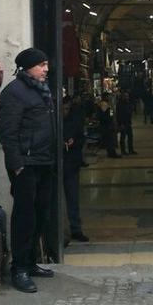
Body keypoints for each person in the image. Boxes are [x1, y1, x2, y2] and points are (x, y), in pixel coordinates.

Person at [0, 48, 57, 293]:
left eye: (46, 64)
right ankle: (19, 268)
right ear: (28, 67)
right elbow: (8, 133)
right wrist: (17, 165)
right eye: (41, 65)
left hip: (44, 161)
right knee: (24, 216)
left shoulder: (40, 90)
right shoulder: (14, 93)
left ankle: (31, 261)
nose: (46, 69)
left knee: (41, 213)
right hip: (27, 165)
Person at [62, 96, 89, 243]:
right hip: (57, 165)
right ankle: (61, 232)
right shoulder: (54, 121)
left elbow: (81, 139)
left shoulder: (74, 122)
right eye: (63, 109)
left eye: (67, 109)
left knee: (73, 198)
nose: (65, 111)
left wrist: (74, 142)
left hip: (71, 164)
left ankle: (75, 229)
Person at [115, 90, 137, 155]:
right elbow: (118, 114)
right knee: (123, 137)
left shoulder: (128, 103)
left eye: (127, 96)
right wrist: (120, 123)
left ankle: (131, 149)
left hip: (128, 122)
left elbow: (129, 111)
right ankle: (123, 151)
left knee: (130, 137)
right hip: (123, 122)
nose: (127, 97)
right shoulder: (119, 104)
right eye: (125, 96)